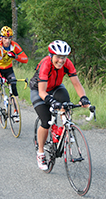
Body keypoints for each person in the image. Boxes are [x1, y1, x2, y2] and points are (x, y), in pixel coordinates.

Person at [29, 40, 91, 170]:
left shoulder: (68, 64)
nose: (61, 60)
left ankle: (65, 129)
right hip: (39, 90)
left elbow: (76, 84)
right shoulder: (45, 64)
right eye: (58, 57)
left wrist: (84, 97)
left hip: (56, 87)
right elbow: (41, 91)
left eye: (64, 57)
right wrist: (50, 100)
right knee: (45, 121)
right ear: (51, 55)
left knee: (66, 104)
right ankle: (40, 153)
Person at [0, 26, 28, 121]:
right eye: (5, 38)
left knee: (13, 86)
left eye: (9, 38)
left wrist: (16, 56)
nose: (7, 41)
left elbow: (25, 59)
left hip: (8, 68)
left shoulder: (14, 46)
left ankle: (16, 112)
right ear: (1, 38)